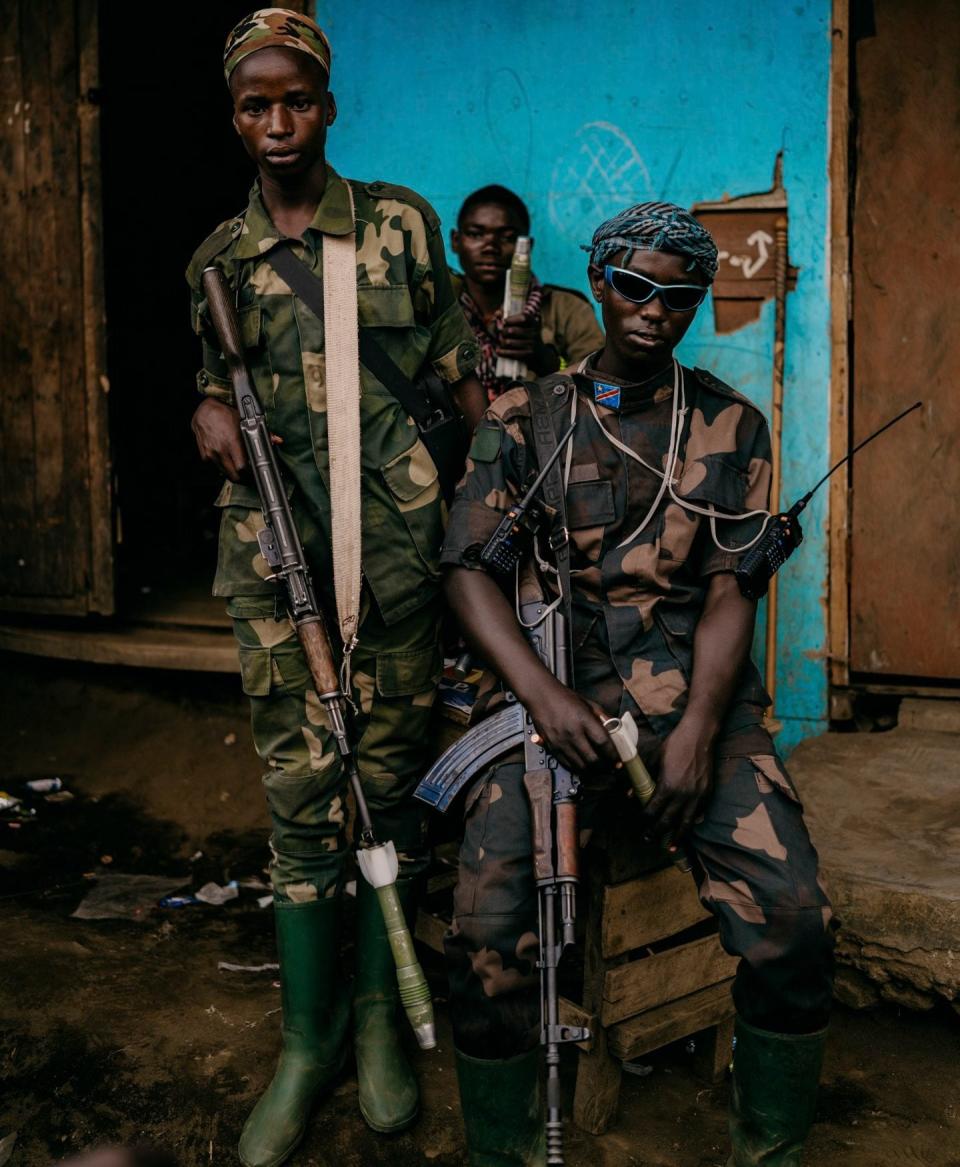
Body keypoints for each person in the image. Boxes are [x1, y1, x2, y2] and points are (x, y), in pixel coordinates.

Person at [439, 203, 835, 1165]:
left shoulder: (731, 425)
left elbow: (734, 588)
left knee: (795, 919)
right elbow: (465, 572)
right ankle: (508, 1149)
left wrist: (702, 725)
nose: (656, 309)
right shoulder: (529, 418)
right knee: (487, 938)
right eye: (635, 286)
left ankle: (767, 1144)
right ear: (603, 282)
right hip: (551, 708)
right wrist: (541, 695)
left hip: (688, 705)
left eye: (681, 294)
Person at [186, 10, 483, 1166]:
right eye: (255, 105)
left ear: (330, 105)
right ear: (236, 118)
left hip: (400, 569)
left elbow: (461, 385)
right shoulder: (216, 261)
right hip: (276, 580)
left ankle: (377, 1025)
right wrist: (201, 408)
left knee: (391, 793)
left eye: (295, 99)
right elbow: (217, 388)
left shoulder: (403, 227)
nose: (276, 123)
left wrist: (489, 523)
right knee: (301, 804)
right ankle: (305, 1040)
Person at [450, 185, 604, 400]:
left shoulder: (567, 309)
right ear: (456, 241)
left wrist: (548, 363)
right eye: (476, 234)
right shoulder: (438, 310)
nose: (490, 247)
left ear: (527, 246)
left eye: (507, 237)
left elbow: (603, 391)